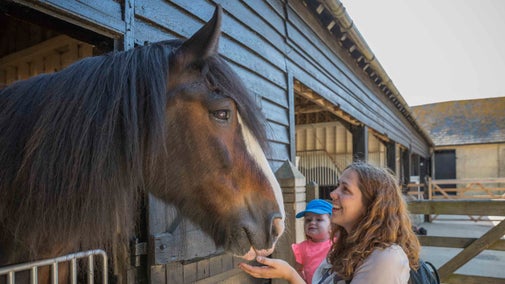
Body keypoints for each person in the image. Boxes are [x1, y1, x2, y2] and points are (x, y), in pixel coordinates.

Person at [239, 161, 421, 284]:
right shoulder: (345, 247)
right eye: (337, 186)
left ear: (371, 205)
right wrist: (289, 273)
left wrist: (290, 274)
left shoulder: (386, 258)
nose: (333, 194)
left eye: (346, 189)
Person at [292, 199, 333, 284]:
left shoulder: (338, 244)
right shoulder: (302, 248)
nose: (312, 222)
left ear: (331, 225)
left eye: (319, 219)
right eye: (308, 220)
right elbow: (297, 270)